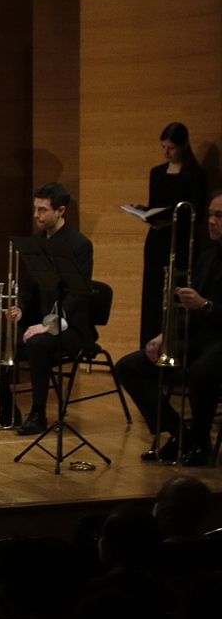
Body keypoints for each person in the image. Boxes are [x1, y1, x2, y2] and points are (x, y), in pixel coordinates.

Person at [0, 182, 95, 435]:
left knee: (38, 344)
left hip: (68, 326)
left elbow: (77, 296)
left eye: (42, 210)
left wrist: (46, 324)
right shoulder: (35, 242)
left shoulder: (80, 245)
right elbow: (28, 287)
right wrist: (19, 306)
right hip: (35, 321)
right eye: (35, 209)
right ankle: (6, 407)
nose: (36, 215)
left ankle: (38, 412)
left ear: (61, 211)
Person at [114, 190, 222, 465]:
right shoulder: (207, 257)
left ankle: (200, 441)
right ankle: (179, 433)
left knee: (200, 374)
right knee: (129, 366)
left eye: (218, 216)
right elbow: (189, 312)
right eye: (210, 214)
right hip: (199, 338)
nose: (211, 221)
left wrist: (205, 305)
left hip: (220, 341)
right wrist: (165, 335)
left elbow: (204, 306)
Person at [136, 123, 209, 343]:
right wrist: (144, 211)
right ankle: (148, 347)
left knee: (174, 295)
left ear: (184, 145)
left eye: (172, 148)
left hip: (180, 241)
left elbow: (197, 212)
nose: (167, 152)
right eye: (164, 147)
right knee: (153, 297)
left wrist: (171, 218)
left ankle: (172, 349)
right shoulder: (156, 173)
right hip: (157, 241)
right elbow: (155, 206)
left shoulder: (195, 174)